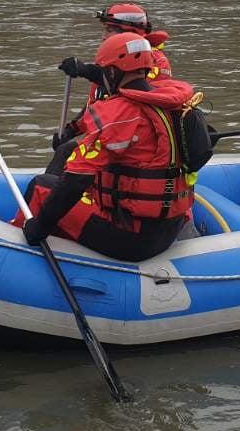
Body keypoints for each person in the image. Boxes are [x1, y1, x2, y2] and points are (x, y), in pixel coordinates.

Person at [20, 32, 199, 261]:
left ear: (112, 72)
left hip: (131, 238)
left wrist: (38, 228)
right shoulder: (175, 106)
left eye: (104, 73)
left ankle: (21, 244)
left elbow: (74, 181)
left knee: (41, 187)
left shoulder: (119, 113)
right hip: (169, 228)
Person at [48, 2, 173, 170]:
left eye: (109, 30)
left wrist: (89, 71)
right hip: (110, 140)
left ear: (129, 32)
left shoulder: (151, 60)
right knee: (64, 151)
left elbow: (134, 93)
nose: (103, 36)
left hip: (134, 151)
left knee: (66, 157)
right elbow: (98, 102)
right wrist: (71, 130)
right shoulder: (116, 58)